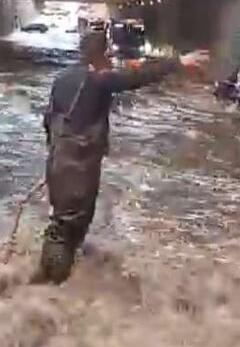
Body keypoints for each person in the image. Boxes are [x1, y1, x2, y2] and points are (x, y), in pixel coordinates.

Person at [38, 32, 208, 283]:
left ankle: (50, 280)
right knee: (67, 227)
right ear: (101, 55)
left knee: (62, 224)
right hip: (79, 166)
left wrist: (56, 152)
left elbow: (48, 119)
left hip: (58, 162)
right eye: (106, 54)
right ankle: (50, 289)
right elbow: (137, 77)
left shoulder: (62, 78)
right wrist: (177, 62)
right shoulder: (98, 79)